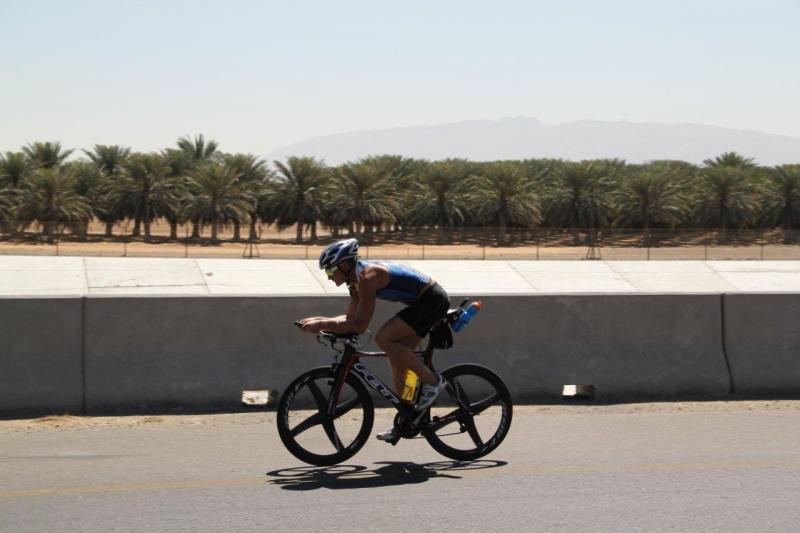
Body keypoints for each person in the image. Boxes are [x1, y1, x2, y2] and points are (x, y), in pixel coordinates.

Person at [297, 238, 449, 443]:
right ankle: (409, 416)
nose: (329, 276)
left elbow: (359, 326)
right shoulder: (355, 283)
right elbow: (350, 319)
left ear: (345, 265)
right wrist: (320, 321)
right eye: (326, 272)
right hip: (420, 304)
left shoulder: (368, 278)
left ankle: (433, 381)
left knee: (384, 338)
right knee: (398, 358)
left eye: (330, 270)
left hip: (433, 300)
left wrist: (322, 324)